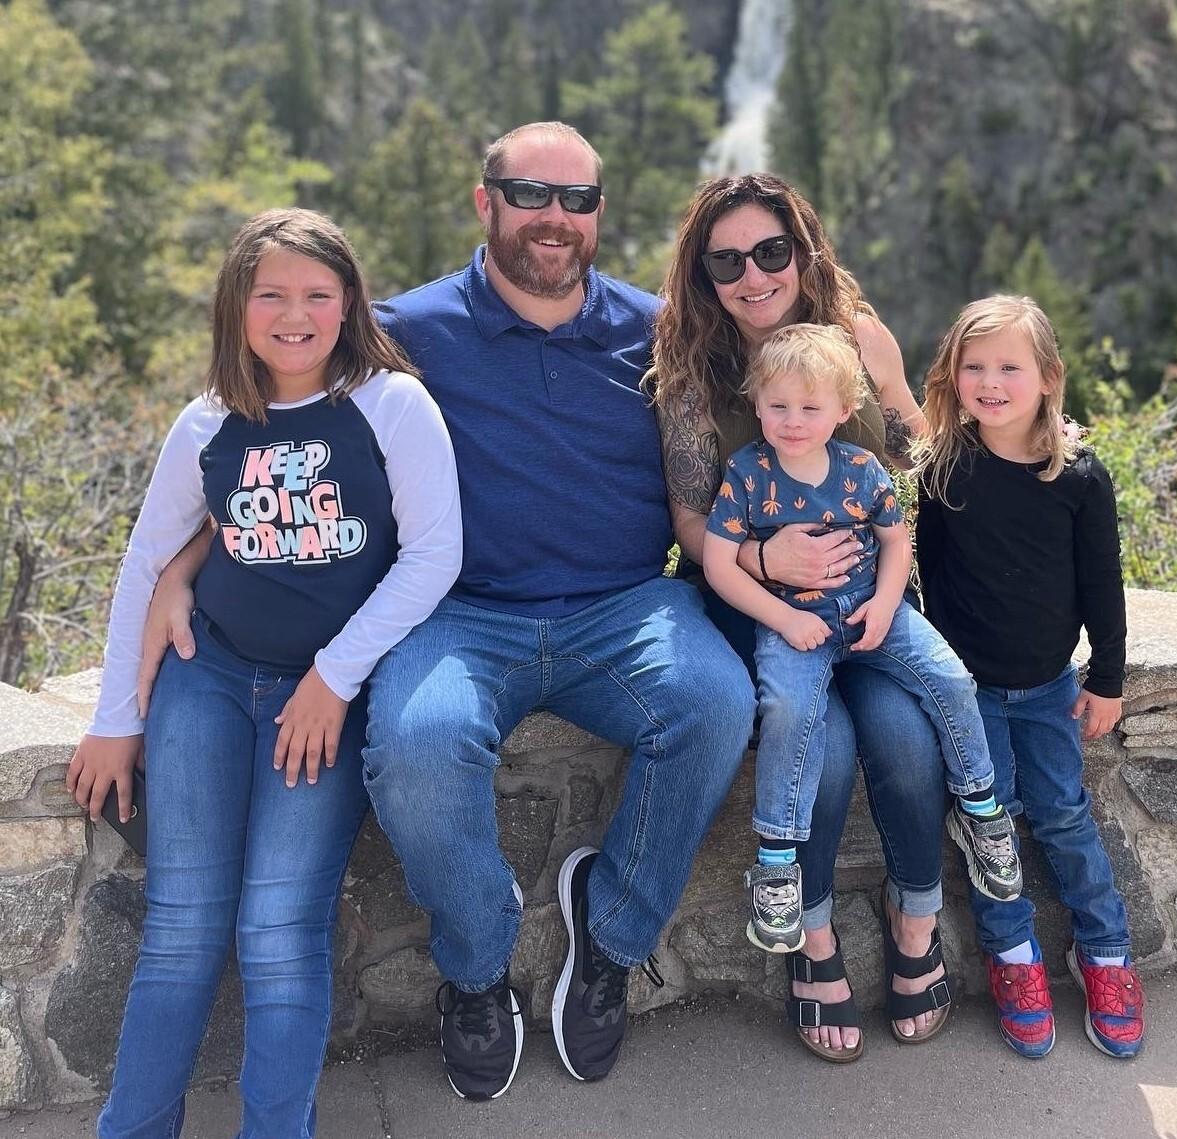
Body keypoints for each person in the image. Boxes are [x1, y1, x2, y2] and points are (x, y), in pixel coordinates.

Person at [136, 122, 754, 1100]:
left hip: (628, 607)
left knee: (717, 703)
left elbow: (790, 384)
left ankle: (614, 930)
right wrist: (189, 555)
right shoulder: (407, 333)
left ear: (599, 214)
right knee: (416, 748)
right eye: (530, 193)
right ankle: (475, 970)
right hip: (459, 616)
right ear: (486, 202)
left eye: (577, 200)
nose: (554, 218)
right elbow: (278, 442)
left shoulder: (658, 328)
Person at [67, 208, 462, 1137]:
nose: (295, 314)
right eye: (271, 294)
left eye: (318, 295)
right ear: (236, 306)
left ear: (349, 303)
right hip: (208, 679)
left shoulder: (391, 403)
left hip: (320, 697)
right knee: (180, 928)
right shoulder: (208, 420)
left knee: (279, 933)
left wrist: (334, 676)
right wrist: (116, 714)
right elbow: (146, 558)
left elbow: (434, 553)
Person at [650, 173, 954, 1059]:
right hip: (759, 606)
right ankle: (813, 944)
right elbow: (687, 514)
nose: (753, 275)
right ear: (703, 275)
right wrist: (764, 558)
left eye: (771, 251)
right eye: (727, 260)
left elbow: (923, 458)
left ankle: (914, 919)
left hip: (871, 601)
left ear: (804, 250)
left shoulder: (856, 342)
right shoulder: (694, 378)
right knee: (822, 756)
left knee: (904, 739)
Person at [703, 322, 1021, 955]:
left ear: (844, 411)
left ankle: (982, 809)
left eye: (810, 408)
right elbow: (719, 561)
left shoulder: (860, 468)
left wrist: (883, 603)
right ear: (757, 403)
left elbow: (895, 540)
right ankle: (777, 862)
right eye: (778, 406)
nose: (793, 421)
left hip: (871, 608)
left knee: (952, 679)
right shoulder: (748, 472)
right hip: (792, 617)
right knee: (790, 712)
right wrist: (783, 616)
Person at [913, 294, 1146, 1060]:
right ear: (953, 376)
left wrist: (1106, 678)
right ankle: (1013, 957)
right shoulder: (946, 467)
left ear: (1048, 377)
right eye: (974, 366)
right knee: (991, 827)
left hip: (1050, 686)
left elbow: (1101, 584)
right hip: (970, 690)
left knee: (1063, 815)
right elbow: (933, 575)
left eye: (1009, 366)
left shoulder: (1079, 476)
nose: (990, 381)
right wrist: (939, 677)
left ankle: (1105, 952)